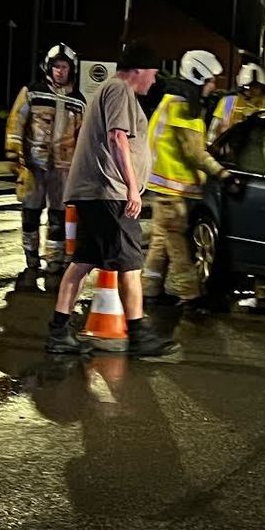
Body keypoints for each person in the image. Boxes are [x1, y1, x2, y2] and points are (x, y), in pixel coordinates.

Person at [45, 41, 175, 357]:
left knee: (82, 262)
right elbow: (118, 139)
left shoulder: (110, 90)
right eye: (154, 74)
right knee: (130, 263)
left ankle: (59, 332)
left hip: (96, 192)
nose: (154, 81)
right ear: (140, 71)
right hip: (108, 192)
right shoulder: (119, 90)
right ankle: (139, 336)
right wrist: (132, 188)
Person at [144, 50, 242, 315]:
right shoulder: (184, 107)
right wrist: (223, 174)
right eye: (210, 80)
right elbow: (195, 153)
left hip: (164, 184)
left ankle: (149, 290)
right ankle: (191, 296)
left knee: (160, 239)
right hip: (173, 185)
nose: (213, 85)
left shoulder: (173, 100)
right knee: (177, 241)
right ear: (197, 76)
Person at [5, 44, 86, 278]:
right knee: (30, 212)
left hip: (63, 168)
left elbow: (82, 135)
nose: (60, 71)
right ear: (48, 68)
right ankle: (30, 255)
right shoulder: (33, 91)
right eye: (57, 67)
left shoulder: (78, 101)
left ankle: (54, 260)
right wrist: (13, 153)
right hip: (33, 165)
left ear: (72, 70)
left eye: (65, 67)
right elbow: (16, 121)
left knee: (58, 217)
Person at [207, 63, 265, 142]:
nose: (252, 90)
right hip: (232, 150)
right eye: (248, 87)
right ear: (241, 87)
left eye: (256, 86)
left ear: (263, 87)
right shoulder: (228, 102)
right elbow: (213, 131)